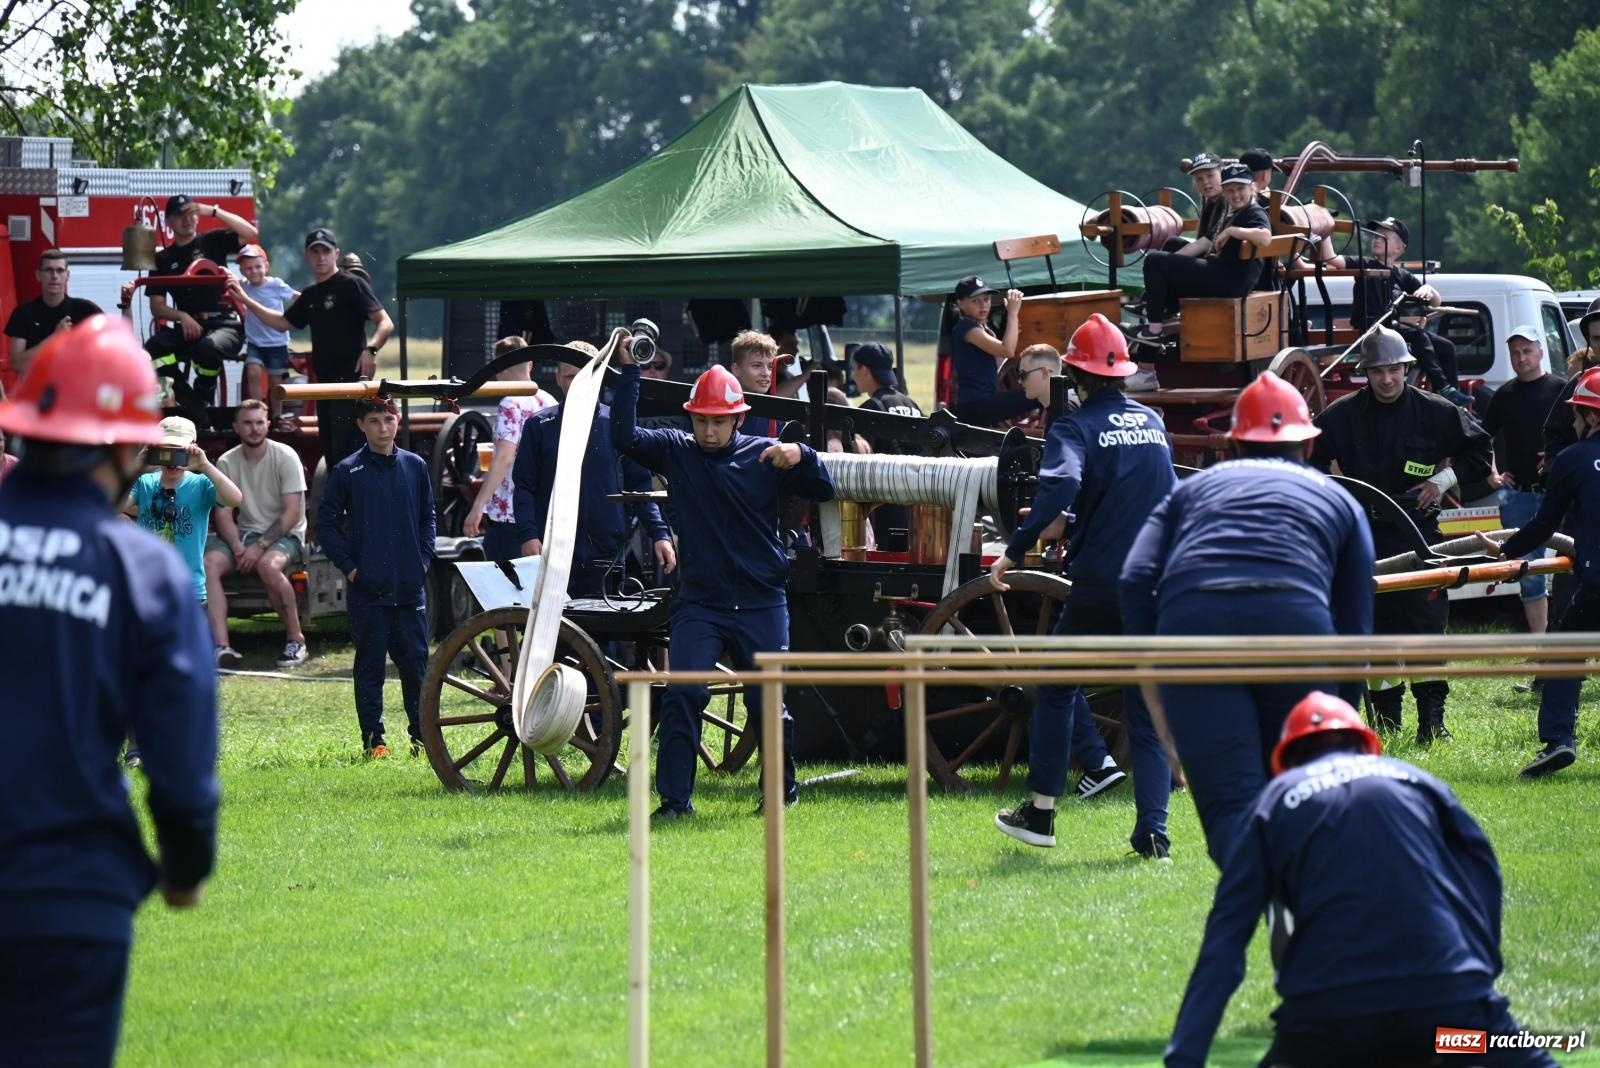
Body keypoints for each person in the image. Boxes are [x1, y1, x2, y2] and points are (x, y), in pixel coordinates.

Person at [0, 315, 218, 1068]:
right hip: (66, 902)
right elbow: (181, 757)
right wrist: (186, 866)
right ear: (126, 445)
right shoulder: (140, 570)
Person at [1166, 692, 1557, 1068]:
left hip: (1329, 1027)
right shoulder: (1419, 782)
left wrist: (1184, 1056)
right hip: (1448, 1020)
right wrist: (1480, 972)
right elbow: (1483, 870)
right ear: (1365, 743)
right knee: (1518, 1048)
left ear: (1290, 758)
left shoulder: (1273, 802)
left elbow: (1226, 937)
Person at [1122, 371, 1375, 868]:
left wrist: (1153, 689)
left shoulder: (1188, 493)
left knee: (1229, 811)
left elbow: (1134, 580)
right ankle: (1300, 915)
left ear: (1234, 443)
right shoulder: (1340, 501)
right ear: (1307, 444)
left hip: (1195, 640)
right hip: (1297, 638)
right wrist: (1341, 716)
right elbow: (1355, 631)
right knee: (1305, 797)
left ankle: (1254, 901)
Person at [611, 344, 836, 819]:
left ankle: (779, 792)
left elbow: (825, 489)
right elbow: (624, 437)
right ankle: (675, 803)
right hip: (701, 605)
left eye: (719, 420)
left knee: (765, 699)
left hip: (762, 602)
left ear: (738, 419)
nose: (709, 430)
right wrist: (629, 371)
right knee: (685, 692)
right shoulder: (677, 449)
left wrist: (803, 453)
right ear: (691, 418)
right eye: (701, 420)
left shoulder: (765, 457)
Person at [991, 315, 1173, 856]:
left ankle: (1041, 815)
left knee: (1055, 685)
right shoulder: (1153, 423)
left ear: (1075, 372)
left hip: (1101, 583)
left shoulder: (1072, 428)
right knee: (1145, 708)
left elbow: (1065, 483)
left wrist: (1018, 545)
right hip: (1156, 584)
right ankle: (1154, 832)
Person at [1311, 326, 1492, 743]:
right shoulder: (1343, 416)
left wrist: (1443, 480)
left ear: (1407, 369)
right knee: (1372, 634)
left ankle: (1433, 724)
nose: (1387, 379)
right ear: (1366, 374)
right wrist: (1335, 493)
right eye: (1378, 372)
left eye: (1394, 370)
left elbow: (1481, 451)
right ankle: (1386, 726)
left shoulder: (1437, 410)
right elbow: (1307, 457)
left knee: (1424, 630)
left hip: (1418, 537)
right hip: (1362, 538)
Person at [1477, 365, 1600, 779]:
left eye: (1578, 414)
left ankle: (1558, 741)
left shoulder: (1573, 459)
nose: (1574, 422)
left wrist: (1505, 550)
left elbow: (1544, 526)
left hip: (1596, 582)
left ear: (1594, 418)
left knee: (1563, 655)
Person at [314, 396, 436, 757]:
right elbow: (326, 524)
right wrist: (351, 569)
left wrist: (424, 560)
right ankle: (375, 741)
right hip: (368, 591)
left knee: (417, 666)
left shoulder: (415, 466)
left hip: (410, 589)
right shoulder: (348, 470)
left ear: (397, 421)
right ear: (361, 426)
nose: (383, 428)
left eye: (389, 419)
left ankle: (422, 736)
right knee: (370, 668)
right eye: (374, 421)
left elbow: (428, 515)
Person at [514, 345, 674, 594]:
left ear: (601, 376)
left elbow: (640, 487)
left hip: (607, 554)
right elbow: (524, 486)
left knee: (605, 631)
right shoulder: (539, 426)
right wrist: (528, 535)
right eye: (570, 376)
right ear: (558, 379)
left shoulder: (618, 426)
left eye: (586, 374)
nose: (579, 382)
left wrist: (659, 534)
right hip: (551, 552)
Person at [228, 227, 393, 468]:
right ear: (307, 257)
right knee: (331, 449)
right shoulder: (310, 295)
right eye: (314, 252)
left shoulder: (352, 284)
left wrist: (371, 350)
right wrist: (245, 299)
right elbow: (282, 323)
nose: (320, 258)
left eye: (325, 252)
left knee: (349, 447)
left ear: (336, 253)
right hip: (323, 383)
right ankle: (340, 503)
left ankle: (358, 501)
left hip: (351, 381)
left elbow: (385, 323)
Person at [1478, 326, 1565, 690]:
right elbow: (1481, 439)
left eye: (1527, 351)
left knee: (1570, 572)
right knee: (1527, 572)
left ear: (1540, 352)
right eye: (1514, 353)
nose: (1521, 358)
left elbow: (1581, 433)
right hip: (1518, 498)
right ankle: (1542, 655)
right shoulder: (1504, 395)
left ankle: (1567, 654)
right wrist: (1493, 475)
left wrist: (1559, 457)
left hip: (1560, 496)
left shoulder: (1562, 389)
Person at [1309, 216, 1468, 405]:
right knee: (1419, 337)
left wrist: (1429, 290)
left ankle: (1453, 398)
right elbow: (1332, 258)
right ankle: (1444, 388)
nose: (1377, 239)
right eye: (1375, 235)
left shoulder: (1401, 275)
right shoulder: (1365, 264)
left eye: (1384, 236)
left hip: (1392, 329)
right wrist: (1325, 228)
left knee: (1446, 346)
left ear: (1398, 249)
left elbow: (1436, 302)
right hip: (1372, 328)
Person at [204, 400, 311, 668]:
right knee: (208, 564)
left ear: (268, 425)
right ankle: (221, 646)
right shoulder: (227, 461)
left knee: (268, 566)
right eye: (248, 423)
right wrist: (239, 548)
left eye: (259, 422)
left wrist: (259, 546)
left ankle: (296, 640)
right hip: (244, 536)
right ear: (236, 427)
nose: (254, 429)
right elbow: (223, 514)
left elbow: (291, 513)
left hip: (286, 535)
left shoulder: (285, 456)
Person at [143, 194, 258, 414]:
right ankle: (186, 400)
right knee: (150, 352)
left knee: (206, 349)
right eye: (179, 215)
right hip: (188, 326)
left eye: (191, 213)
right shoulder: (163, 259)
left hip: (224, 325)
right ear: (168, 222)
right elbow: (157, 306)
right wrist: (182, 317)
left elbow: (250, 234)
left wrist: (214, 211)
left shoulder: (213, 241)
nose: (187, 219)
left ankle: (204, 394)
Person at [1138, 163, 1272, 340]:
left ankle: (1154, 328)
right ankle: (1161, 306)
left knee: (1154, 260)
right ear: (1224, 192)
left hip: (1229, 281)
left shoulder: (1255, 213)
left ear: (1252, 188)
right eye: (1230, 191)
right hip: (1226, 276)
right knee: (1168, 252)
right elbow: (1202, 245)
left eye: (1241, 189)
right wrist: (1171, 264)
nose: (1236, 195)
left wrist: (1233, 231)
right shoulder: (1238, 213)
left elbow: (1265, 238)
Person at [126, 415, 244, 607]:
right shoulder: (144, 482)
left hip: (189, 588)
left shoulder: (201, 484)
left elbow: (235, 499)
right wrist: (136, 468)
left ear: (193, 448)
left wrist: (204, 466)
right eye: (166, 451)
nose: (173, 462)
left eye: (179, 452)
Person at [463, 336, 556, 562]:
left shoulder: (509, 404)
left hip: (509, 515)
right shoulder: (550, 401)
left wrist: (478, 505)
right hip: (543, 511)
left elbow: (504, 457)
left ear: (498, 368)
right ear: (531, 365)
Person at [850, 341, 924, 551]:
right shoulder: (911, 404)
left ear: (864, 370)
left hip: (884, 509)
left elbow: (861, 456)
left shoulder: (870, 408)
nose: (853, 376)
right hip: (917, 504)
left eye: (854, 369)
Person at [947, 275, 1039, 426]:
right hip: (974, 405)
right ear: (961, 304)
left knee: (1040, 391)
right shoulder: (966, 328)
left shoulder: (985, 330)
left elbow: (997, 363)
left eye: (986, 299)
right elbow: (1007, 350)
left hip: (984, 402)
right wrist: (1012, 313)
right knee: (1042, 393)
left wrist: (1015, 332)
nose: (983, 306)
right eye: (975, 301)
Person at [5, 249, 103, 373]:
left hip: (76, 389)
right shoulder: (23, 313)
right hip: (37, 391)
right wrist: (54, 338)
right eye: (48, 270)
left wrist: (125, 307)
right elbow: (17, 363)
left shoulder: (86, 310)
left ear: (67, 275)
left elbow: (117, 344)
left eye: (60, 270)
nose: (54, 276)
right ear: (38, 275)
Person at [234, 244, 299, 423]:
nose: (254, 271)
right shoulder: (243, 287)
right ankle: (258, 412)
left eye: (258, 266)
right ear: (242, 270)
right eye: (248, 268)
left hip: (276, 342)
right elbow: (227, 280)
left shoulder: (276, 285)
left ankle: (276, 416)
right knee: (253, 373)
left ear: (266, 267)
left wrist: (304, 311)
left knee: (275, 381)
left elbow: (297, 297)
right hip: (255, 341)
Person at [1160, 152, 1227, 254]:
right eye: (1199, 178)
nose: (1205, 182)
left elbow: (1207, 243)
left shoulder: (1229, 202)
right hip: (1210, 255)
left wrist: (1169, 260)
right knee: (1172, 243)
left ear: (1223, 174)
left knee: (1154, 260)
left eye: (1210, 175)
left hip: (1222, 262)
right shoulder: (1211, 203)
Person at [728, 330, 785, 437]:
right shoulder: (723, 411)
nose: (766, 373)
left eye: (770, 366)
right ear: (736, 369)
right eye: (757, 365)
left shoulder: (777, 416)